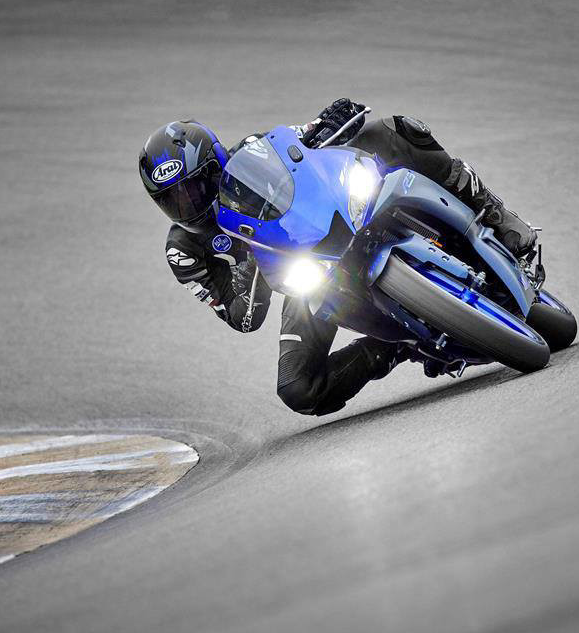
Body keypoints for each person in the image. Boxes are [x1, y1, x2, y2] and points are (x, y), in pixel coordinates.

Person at [138, 99, 537, 416]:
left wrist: (331, 121)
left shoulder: (254, 153)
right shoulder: (183, 252)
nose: (190, 205)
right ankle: (401, 346)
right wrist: (248, 263)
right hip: (301, 277)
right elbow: (243, 318)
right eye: (173, 200)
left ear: (218, 162)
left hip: (337, 222)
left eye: (197, 186)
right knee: (298, 388)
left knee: (394, 131)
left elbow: (303, 141)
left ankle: (494, 214)